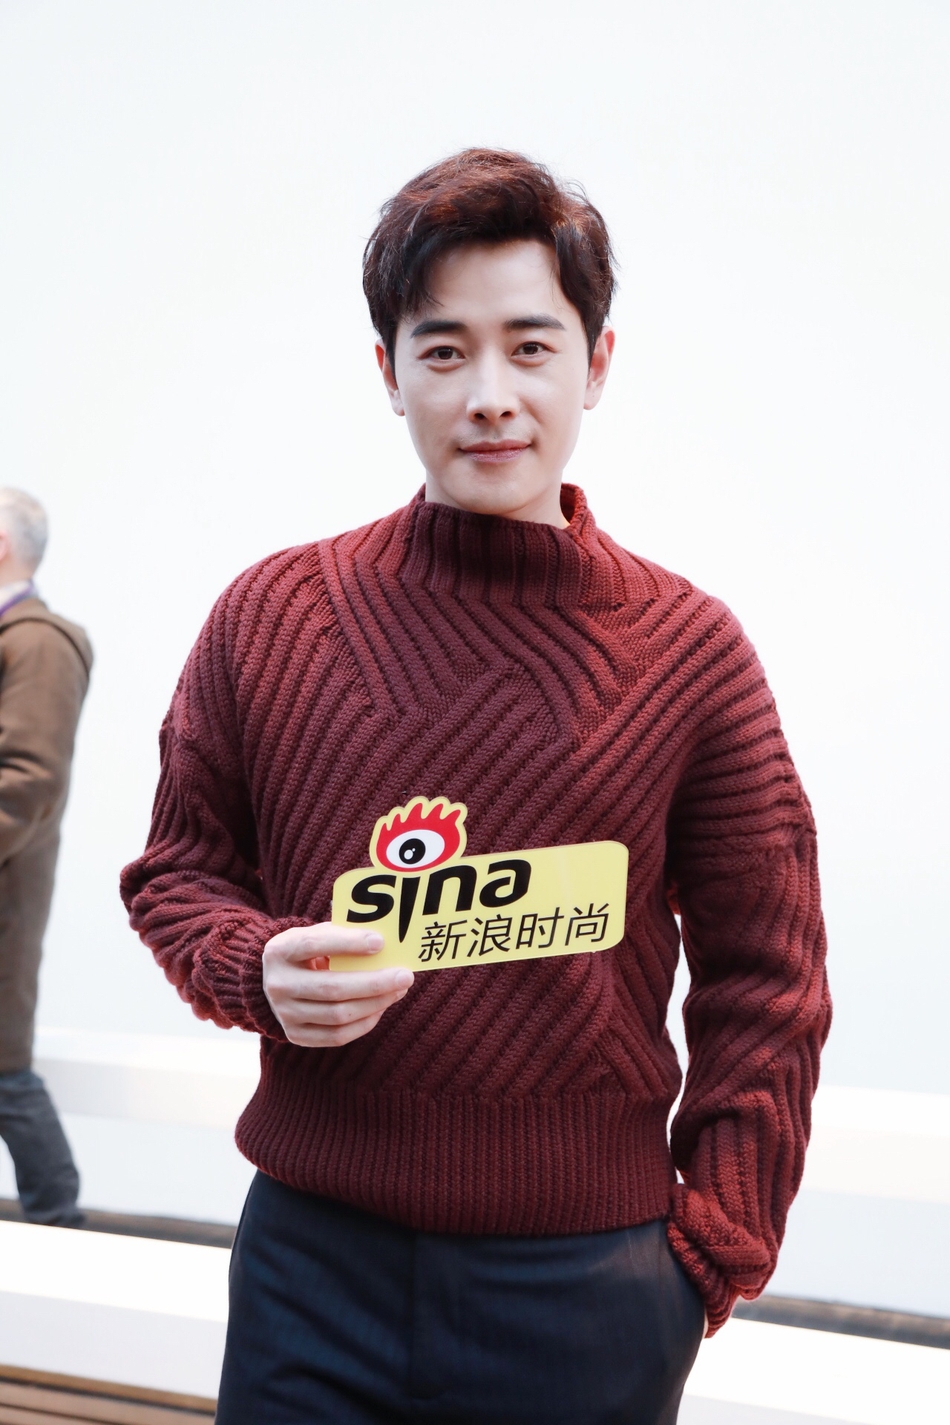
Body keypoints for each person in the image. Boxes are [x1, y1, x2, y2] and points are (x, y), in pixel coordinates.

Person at [121, 150, 830, 1423]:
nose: (489, 396)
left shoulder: (688, 652)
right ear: (387, 372)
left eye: (529, 347)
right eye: (442, 351)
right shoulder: (273, 615)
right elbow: (178, 873)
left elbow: (767, 978)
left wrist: (711, 1249)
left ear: (594, 363)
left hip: (590, 1287)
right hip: (309, 1266)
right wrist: (254, 965)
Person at [0, 488, 92, 1227]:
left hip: (4, 893)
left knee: (5, 1073)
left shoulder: (37, 642)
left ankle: (62, 1225)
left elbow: (28, 781)